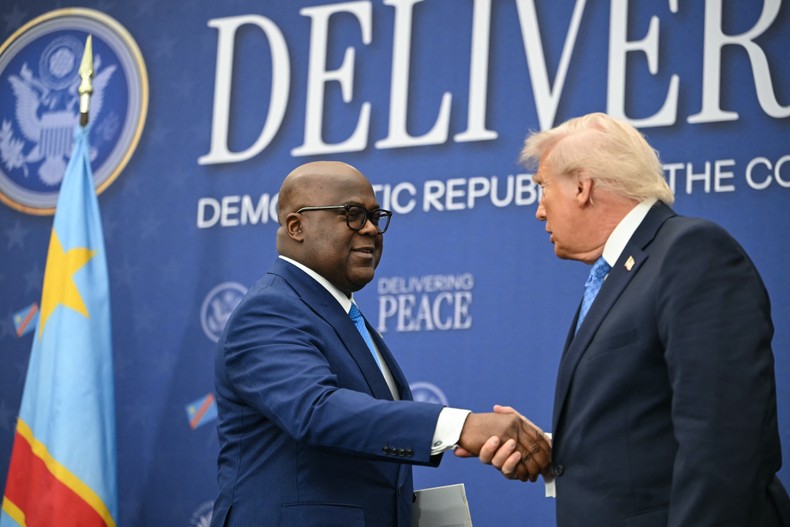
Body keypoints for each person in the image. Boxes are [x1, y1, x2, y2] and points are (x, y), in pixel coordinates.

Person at [476, 112, 790, 526]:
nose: (538, 211)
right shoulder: (618, 274)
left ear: (582, 186)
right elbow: (644, 426)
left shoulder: (691, 253)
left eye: (542, 188)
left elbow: (724, 442)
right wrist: (552, 451)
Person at [210, 161, 551, 527]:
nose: (371, 229)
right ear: (297, 226)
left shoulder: (339, 314)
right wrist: (460, 426)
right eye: (353, 214)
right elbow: (316, 411)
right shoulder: (270, 309)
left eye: (376, 216)